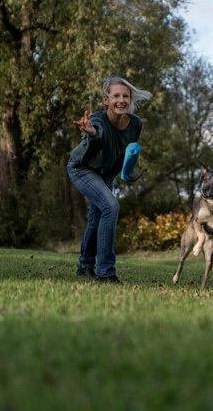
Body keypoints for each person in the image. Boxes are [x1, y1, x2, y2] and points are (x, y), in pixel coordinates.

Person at [67, 77, 152, 283]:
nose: (121, 100)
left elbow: (127, 151)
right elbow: (99, 134)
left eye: (125, 96)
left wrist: (127, 171)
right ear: (106, 100)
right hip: (82, 168)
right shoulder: (97, 120)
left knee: (98, 216)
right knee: (110, 206)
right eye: (116, 96)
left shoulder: (135, 124)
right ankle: (106, 272)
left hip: (106, 173)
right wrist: (91, 133)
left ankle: (85, 266)